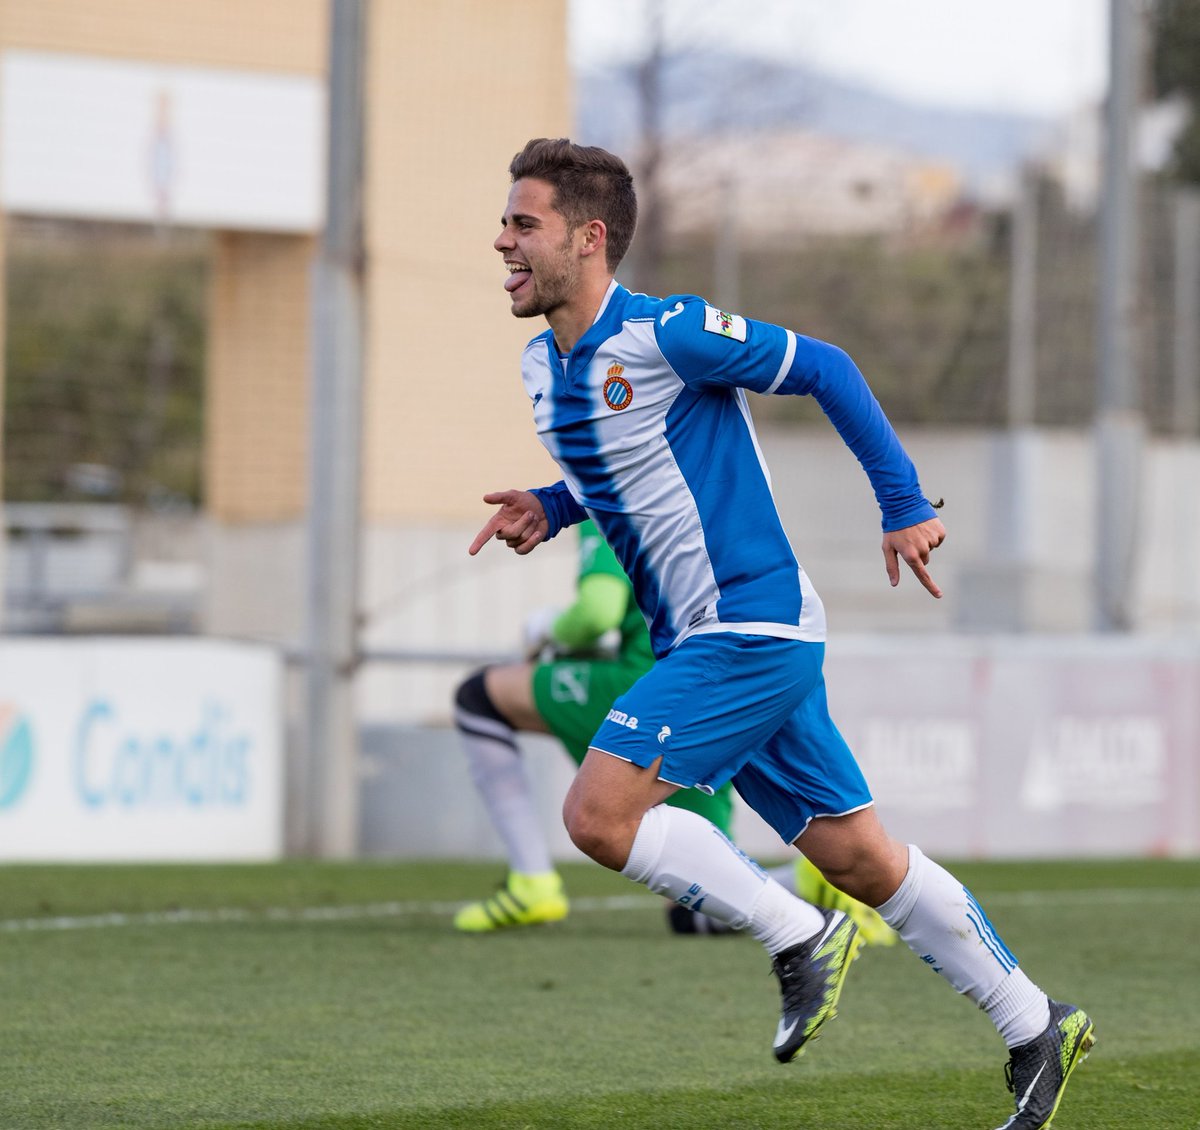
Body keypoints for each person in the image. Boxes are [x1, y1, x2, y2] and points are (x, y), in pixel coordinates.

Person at [470, 137, 1093, 1129]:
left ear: (588, 239)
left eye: (523, 223)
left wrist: (902, 501)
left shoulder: (670, 331)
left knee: (597, 816)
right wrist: (552, 504)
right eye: (505, 222)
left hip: (749, 623)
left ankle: (797, 933)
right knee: (860, 856)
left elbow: (827, 368)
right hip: (711, 640)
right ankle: (1036, 1021)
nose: (503, 240)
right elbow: (623, 469)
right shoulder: (542, 367)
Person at [453, 517, 895, 944]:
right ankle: (806, 882)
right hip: (731, 680)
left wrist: (546, 628)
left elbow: (596, 613)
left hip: (657, 684)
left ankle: (532, 881)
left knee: (478, 698)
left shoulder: (607, 486)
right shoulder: (709, 493)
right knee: (696, 903)